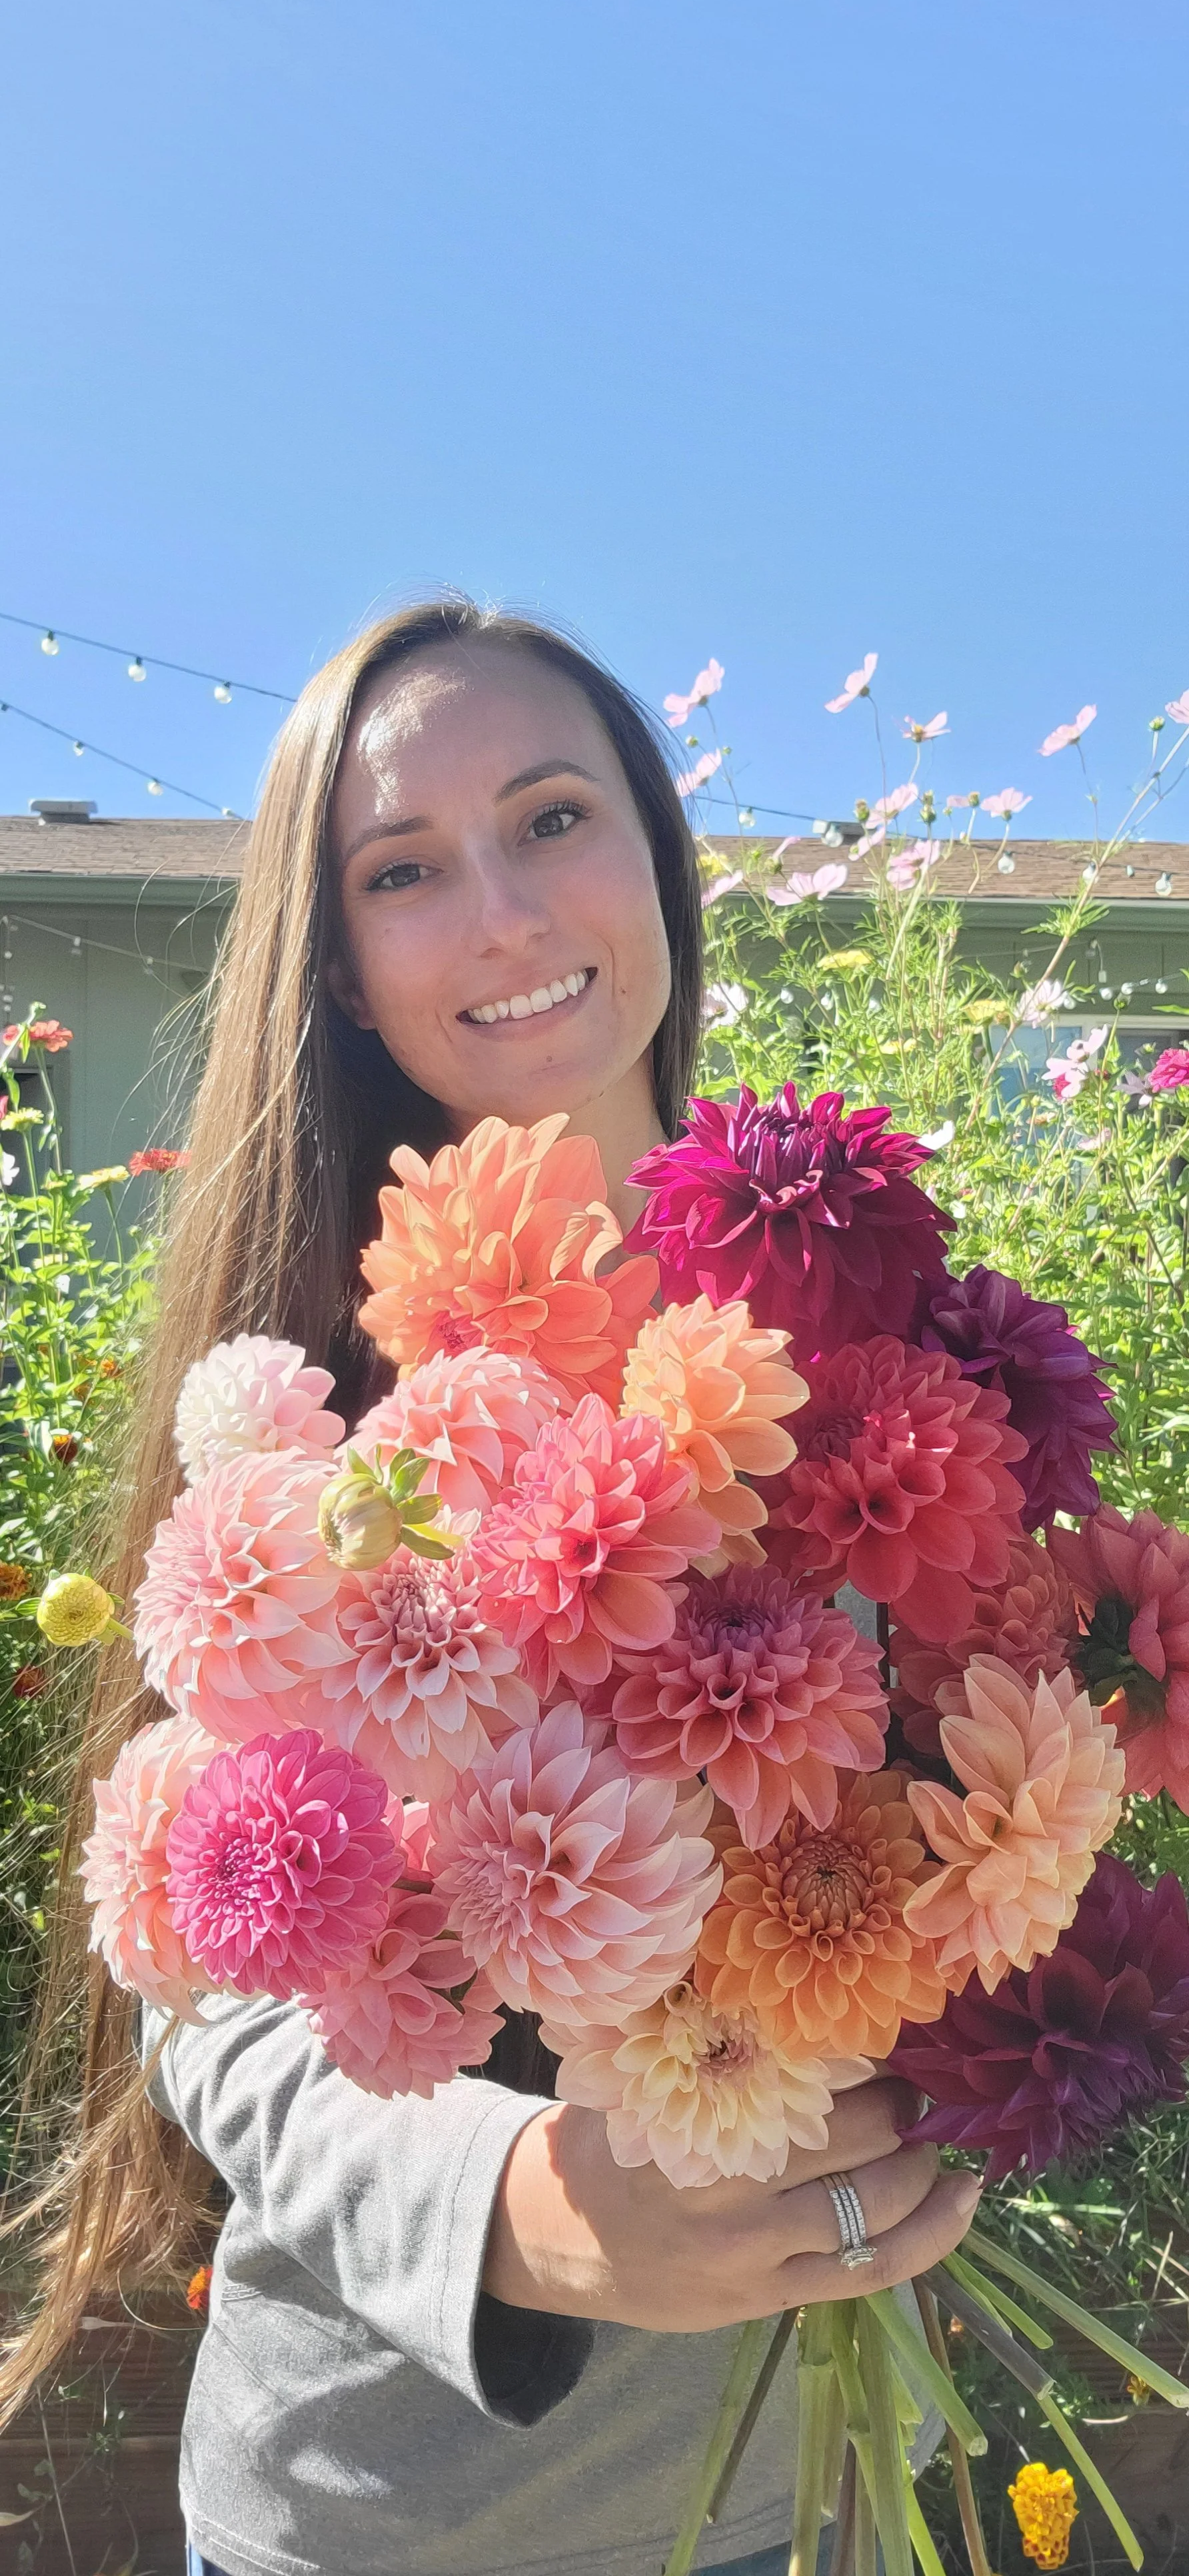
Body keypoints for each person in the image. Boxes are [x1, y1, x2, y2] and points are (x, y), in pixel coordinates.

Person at [1, 602, 981, 2576]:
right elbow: (200, 1954)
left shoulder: (882, 1331)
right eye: (403, 870)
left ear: (655, 861)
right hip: (374, 2516)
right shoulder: (304, 1390)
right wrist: (508, 2205)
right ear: (346, 969)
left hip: (803, 2499)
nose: (506, 914)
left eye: (551, 818)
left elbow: (1009, 1812)